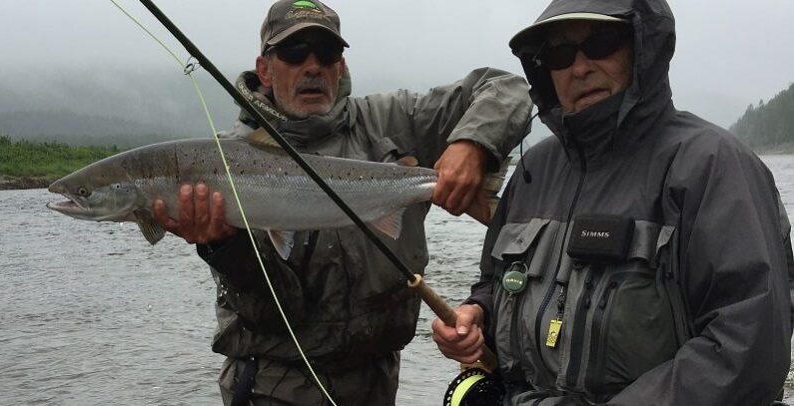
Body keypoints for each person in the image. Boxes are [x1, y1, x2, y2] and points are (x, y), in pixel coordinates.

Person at [151, 0, 533, 404]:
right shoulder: (227, 164)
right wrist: (222, 247)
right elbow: (278, 308)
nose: (312, 65)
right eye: (295, 52)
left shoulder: (391, 122)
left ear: (342, 67)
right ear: (265, 68)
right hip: (274, 387)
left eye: (326, 52)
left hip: (378, 382)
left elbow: (508, 88)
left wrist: (472, 144)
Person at [432, 0, 794, 405]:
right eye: (560, 53)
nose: (580, 67)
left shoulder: (713, 165)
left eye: (601, 43)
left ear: (643, 48)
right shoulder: (535, 166)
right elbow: (495, 280)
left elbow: (748, 347)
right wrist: (477, 314)